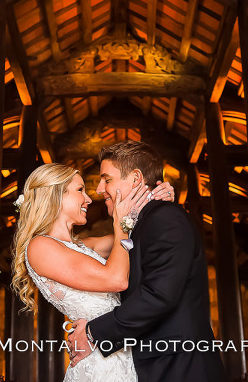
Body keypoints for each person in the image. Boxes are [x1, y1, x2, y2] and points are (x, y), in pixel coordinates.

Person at [67, 141, 225, 382]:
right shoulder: (143, 224)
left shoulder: (165, 219)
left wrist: (93, 333)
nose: (99, 189)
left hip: (179, 367)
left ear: (136, 178)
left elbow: (158, 295)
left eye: (106, 179)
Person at [11, 162, 174, 381]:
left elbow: (135, 237)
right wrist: (120, 222)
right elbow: (116, 279)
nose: (88, 199)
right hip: (100, 365)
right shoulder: (40, 247)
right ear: (55, 195)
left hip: (117, 352)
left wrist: (155, 201)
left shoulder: (83, 246)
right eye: (80, 191)